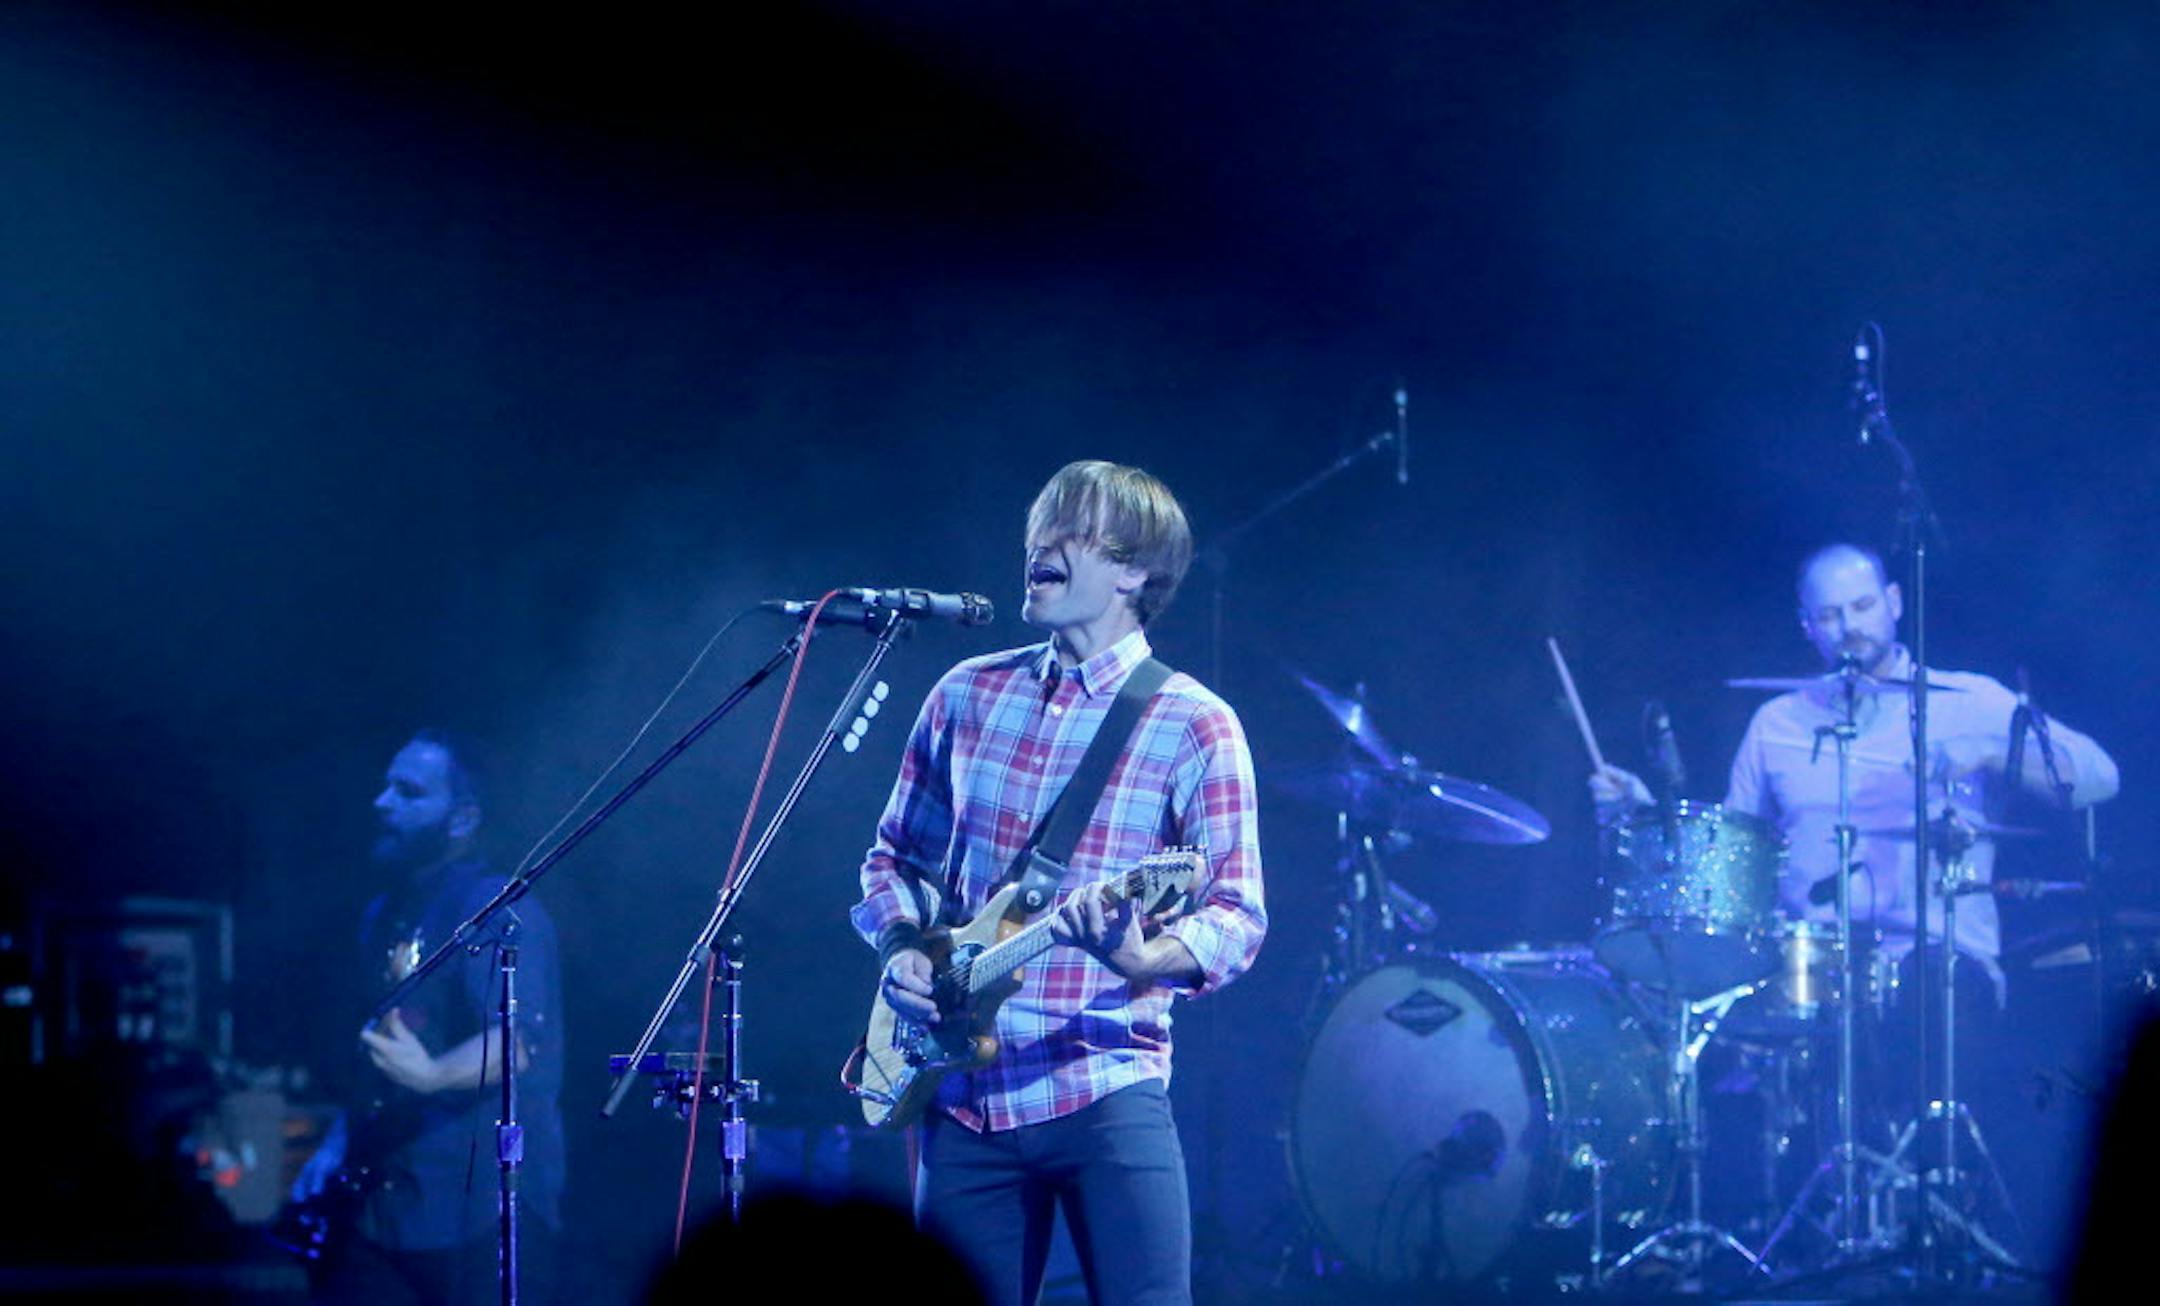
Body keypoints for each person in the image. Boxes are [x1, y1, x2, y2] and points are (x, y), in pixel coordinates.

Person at [853, 460, 1266, 1306]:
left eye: (1072, 532)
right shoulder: (965, 694)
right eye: (1040, 528)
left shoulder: (1195, 723)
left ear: (1134, 572)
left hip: (1104, 1084)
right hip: (963, 1095)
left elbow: (1237, 913)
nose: (1040, 545)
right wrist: (901, 950)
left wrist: (1143, 958)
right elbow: (894, 858)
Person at [293, 730, 565, 1306]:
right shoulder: (383, 912)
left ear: (462, 819)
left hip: (475, 1212)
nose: (381, 803)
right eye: (386, 786)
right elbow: (382, 1047)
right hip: (381, 1205)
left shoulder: (494, 906)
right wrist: (338, 1141)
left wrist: (434, 1075)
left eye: (408, 792)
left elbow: (516, 1044)